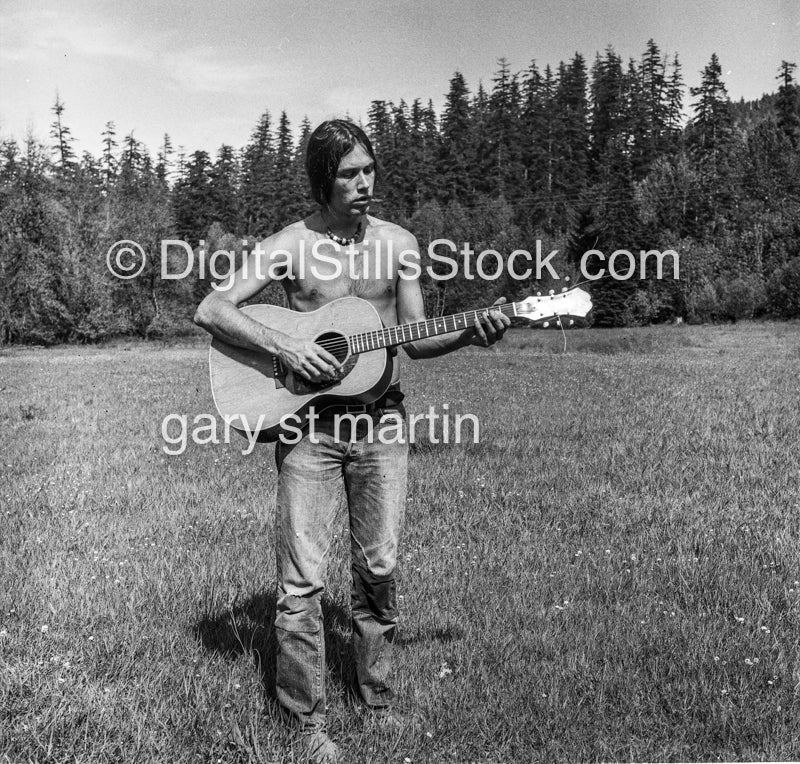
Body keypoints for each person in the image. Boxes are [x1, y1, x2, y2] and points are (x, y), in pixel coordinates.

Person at [194, 119, 509, 763]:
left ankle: (376, 698)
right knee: (303, 581)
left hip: (381, 422)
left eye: (369, 170)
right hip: (307, 426)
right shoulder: (290, 244)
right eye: (348, 175)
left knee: (380, 566)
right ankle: (305, 725)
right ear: (322, 180)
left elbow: (415, 339)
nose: (365, 184)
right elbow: (213, 308)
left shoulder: (399, 244)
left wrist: (469, 331)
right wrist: (289, 346)